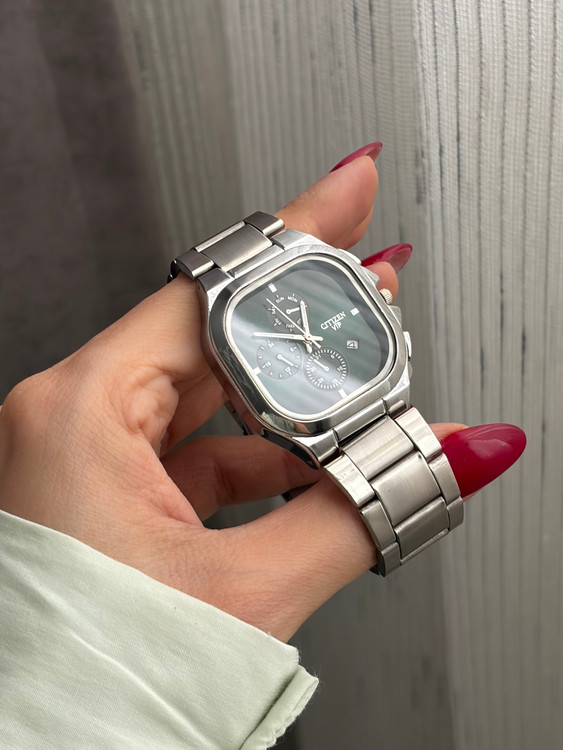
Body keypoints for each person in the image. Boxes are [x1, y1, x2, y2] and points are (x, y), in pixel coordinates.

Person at [0, 148, 525, 748]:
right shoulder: (272, 408)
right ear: (247, 409)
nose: (306, 336)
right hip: (315, 411)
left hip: (375, 382)